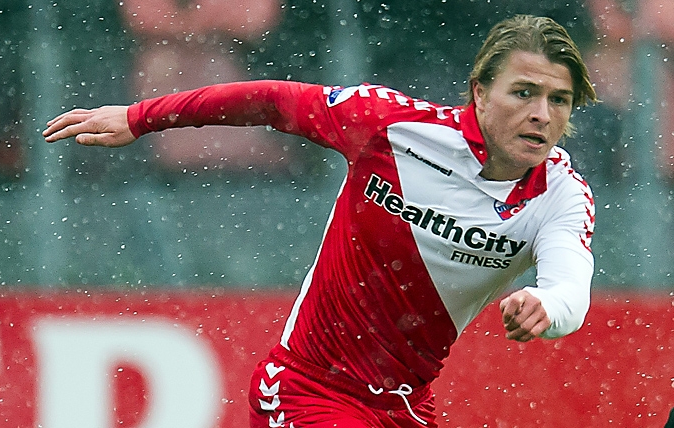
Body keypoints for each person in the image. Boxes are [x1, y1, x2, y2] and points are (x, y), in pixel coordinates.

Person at [43, 14, 597, 428]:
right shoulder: (392, 127)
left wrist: (547, 307)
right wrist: (140, 118)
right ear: (480, 91)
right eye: (523, 92)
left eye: (560, 100)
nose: (541, 114)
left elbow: (570, 287)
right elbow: (271, 100)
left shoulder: (562, 195)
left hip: (403, 408)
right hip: (305, 390)